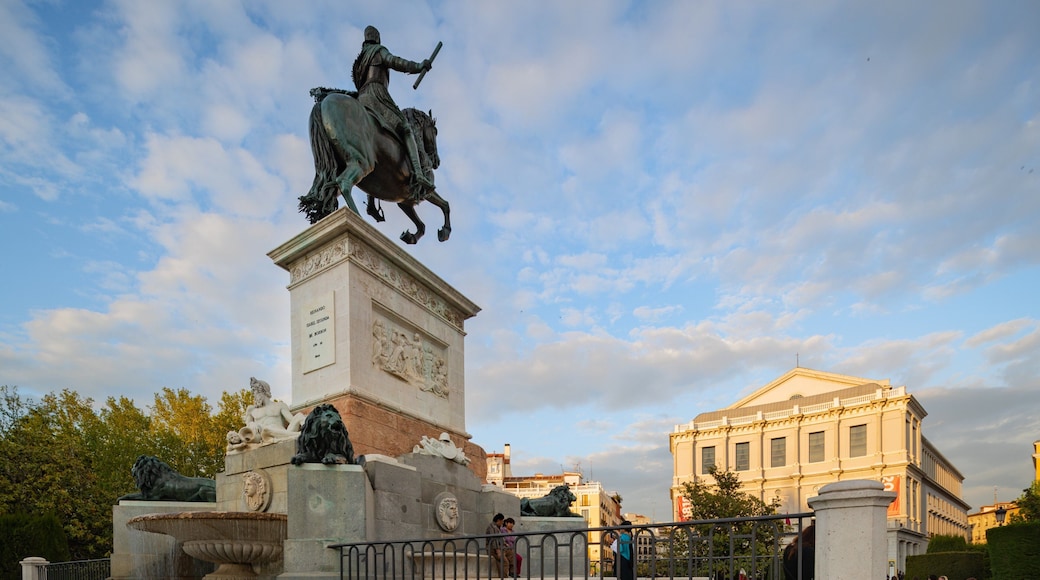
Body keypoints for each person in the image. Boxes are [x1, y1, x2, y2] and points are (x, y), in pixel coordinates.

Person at [352, 25, 435, 191]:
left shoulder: (360, 61)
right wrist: (419, 66)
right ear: (377, 38)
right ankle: (418, 173)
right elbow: (396, 62)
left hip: (362, 98)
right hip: (377, 96)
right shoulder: (378, 51)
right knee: (405, 128)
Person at [486, 513, 506, 577]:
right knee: (505, 562)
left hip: (500, 548)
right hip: (493, 549)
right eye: (502, 521)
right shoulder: (493, 527)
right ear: (498, 520)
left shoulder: (497, 527)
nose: (502, 523)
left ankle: (512, 572)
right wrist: (498, 551)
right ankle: (504, 577)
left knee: (513, 556)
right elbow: (494, 540)